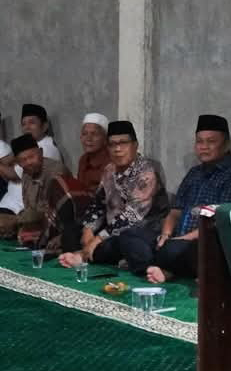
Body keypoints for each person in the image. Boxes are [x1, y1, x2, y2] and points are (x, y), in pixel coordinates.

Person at [146, 114, 231, 283]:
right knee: (132, 238)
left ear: (226, 145)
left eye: (211, 141)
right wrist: (166, 234)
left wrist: (179, 240)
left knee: (172, 250)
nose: (204, 147)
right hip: (178, 240)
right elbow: (175, 211)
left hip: (206, 243)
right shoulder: (194, 173)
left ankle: (163, 267)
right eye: (199, 141)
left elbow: (220, 221)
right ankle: (166, 266)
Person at [58, 120, 168, 274]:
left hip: (140, 230)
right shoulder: (109, 170)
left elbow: (131, 217)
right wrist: (88, 229)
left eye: (123, 143)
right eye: (112, 144)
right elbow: (98, 203)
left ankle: (83, 256)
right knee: (72, 230)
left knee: (124, 241)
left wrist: (97, 239)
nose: (117, 149)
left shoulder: (146, 173)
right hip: (112, 228)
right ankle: (88, 254)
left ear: (135, 145)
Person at [43, 113, 111, 249]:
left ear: (105, 139)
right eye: (84, 134)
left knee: (60, 183)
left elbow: (102, 200)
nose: (88, 139)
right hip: (84, 212)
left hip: (102, 213)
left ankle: (60, 235)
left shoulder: (111, 162)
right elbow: (80, 193)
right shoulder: (83, 160)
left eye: (94, 134)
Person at [3, 134, 69, 245]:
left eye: (32, 157)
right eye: (23, 160)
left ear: (41, 152)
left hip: (58, 227)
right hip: (36, 225)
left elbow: (56, 212)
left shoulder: (56, 171)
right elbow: (28, 206)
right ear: (18, 163)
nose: (29, 162)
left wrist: (18, 220)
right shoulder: (26, 174)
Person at [0, 104, 63, 216]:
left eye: (32, 123)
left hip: (22, 209)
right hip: (9, 204)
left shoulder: (46, 148)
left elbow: (13, 174)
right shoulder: (29, 145)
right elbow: (8, 161)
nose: (27, 127)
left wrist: (10, 163)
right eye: (23, 124)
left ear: (44, 126)